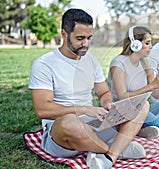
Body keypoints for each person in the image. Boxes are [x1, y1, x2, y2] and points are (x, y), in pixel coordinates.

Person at [28, 9, 149, 169]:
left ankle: (108, 157)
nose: (85, 44)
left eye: (88, 38)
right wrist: (85, 109)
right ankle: (116, 149)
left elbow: (104, 92)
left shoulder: (91, 61)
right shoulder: (44, 64)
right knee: (70, 122)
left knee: (142, 105)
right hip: (62, 131)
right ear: (64, 34)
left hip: (94, 122)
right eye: (80, 38)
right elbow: (42, 110)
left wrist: (107, 103)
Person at [107, 26, 159, 139]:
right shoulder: (118, 64)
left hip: (142, 107)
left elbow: (155, 94)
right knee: (150, 117)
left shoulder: (145, 63)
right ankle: (157, 124)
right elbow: (122, 97)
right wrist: (151, 86)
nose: (151, 47)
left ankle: (152, 125)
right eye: (147, 43)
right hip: (122, 110)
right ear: (135, 44)